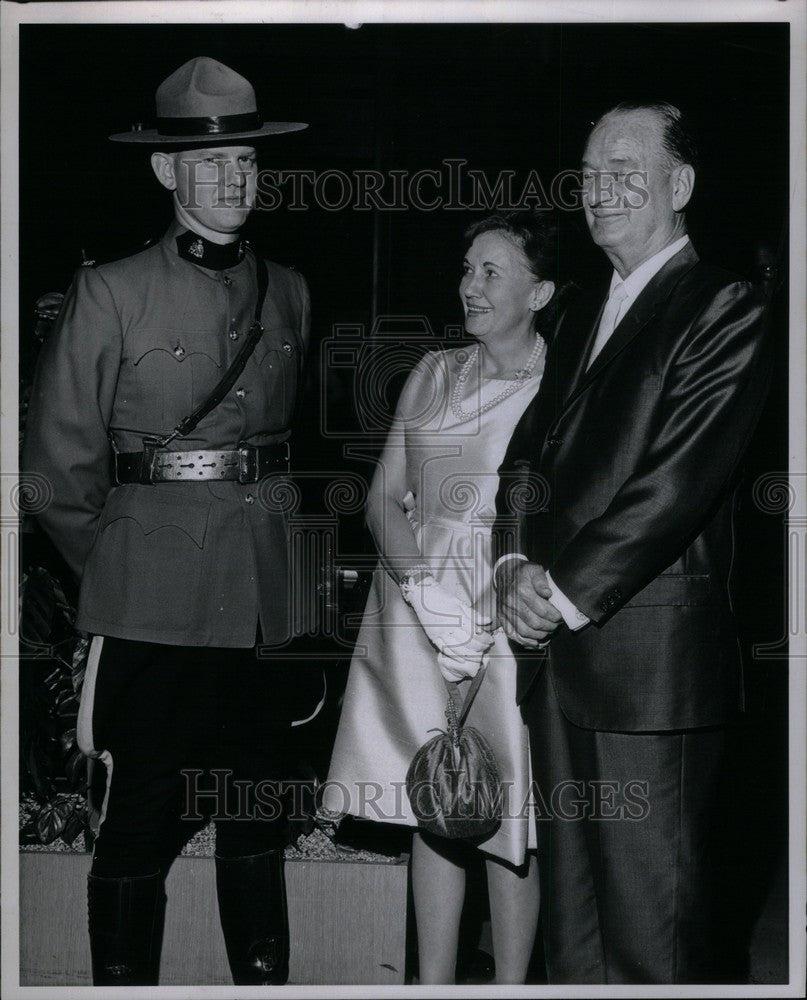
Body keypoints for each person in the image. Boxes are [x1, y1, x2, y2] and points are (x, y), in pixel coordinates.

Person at [22, 57, 318, 986]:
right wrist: (122, 566)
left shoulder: (294, 293)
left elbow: (283, 454)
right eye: (211, 162)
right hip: (152, 608)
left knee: (256, 814)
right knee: (141, 819)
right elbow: (56, 473)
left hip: (269, 607)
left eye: (247, 160)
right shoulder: (111, 293)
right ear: (166, 172)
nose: (234, 179)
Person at [494, 101, 772, 984]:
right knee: (571, 937)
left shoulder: (725, 304)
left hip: (650, 673)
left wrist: (555, 592)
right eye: (586, 172)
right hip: (559, 667)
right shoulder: (578, 315)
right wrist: (508, 566)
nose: (598, 189)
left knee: (653, 937)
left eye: (623, 169)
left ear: (678, 186)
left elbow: (672, 486)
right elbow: (524, 458)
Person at [325, 211, 562, 984]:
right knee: (434, 800)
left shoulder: (563, 386)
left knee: (503, 809)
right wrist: (424, 592)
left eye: (491, 272)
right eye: (467, 269)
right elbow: (382, 497)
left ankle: (510, 987)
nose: (470, 285)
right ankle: (430, 985)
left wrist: (501, 607)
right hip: (417, 607)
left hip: (504, 611)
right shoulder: (433, 371)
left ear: (540, 291)